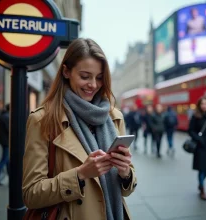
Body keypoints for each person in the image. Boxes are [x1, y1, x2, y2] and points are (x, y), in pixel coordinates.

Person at [22, 38, 137, 220]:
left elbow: (128, 188)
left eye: (99, 77)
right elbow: (31, 194)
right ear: (66, 71)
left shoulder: (114, 117)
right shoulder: (42, 120)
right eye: (85, 76)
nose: (93, 84)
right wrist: (81, 174)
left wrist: (125, 173)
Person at [188, 97, 206, 201]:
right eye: (202, 104)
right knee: (202, 168)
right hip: (200, 147)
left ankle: (200, 183)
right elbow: (190, 131)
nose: (204, 106)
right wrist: (198, 139)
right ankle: (202, 189)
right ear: (199, 105)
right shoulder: (195, 117)